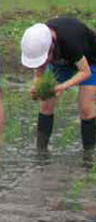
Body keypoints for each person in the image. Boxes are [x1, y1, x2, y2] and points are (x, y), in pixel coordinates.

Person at [20, 17, 96, 151]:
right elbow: (39, 70)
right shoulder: (37, 39)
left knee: (85, 107)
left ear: (51, 47)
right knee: (46, 105)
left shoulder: (70, 40)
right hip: (62, 63)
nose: (42, 63)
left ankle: (89, 156)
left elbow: (85, 72)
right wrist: (36, 86)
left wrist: (62, 86)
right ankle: (41, 152)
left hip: (90, 62)